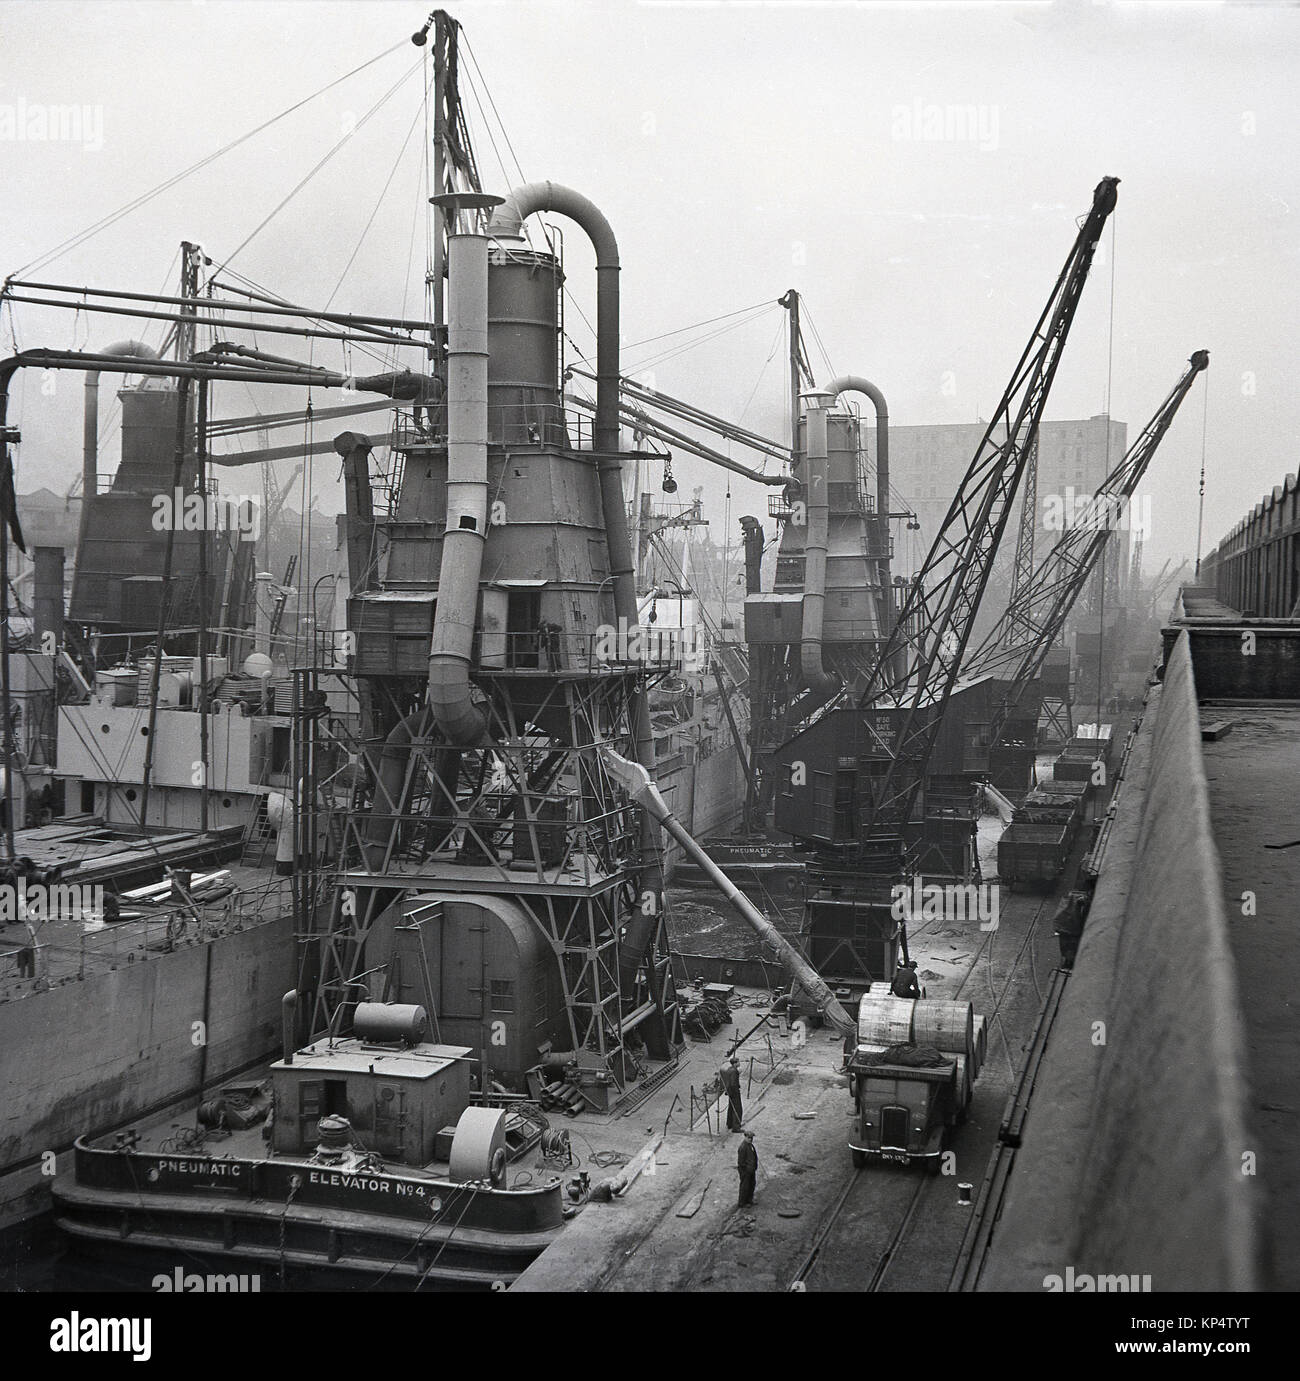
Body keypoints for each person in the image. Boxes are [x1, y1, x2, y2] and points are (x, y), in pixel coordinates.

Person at [720, 1055, 743, 1131]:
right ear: (735, 1063)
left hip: (730, 1092)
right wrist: (736, 1091)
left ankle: (729, 1124)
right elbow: (733, 1083)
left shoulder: (729, 1069)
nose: (739, 1063)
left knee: (731, 1108)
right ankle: (736, 1127)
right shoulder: (734, 1071)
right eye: (738, 1062)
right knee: (737, 1109)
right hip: (734, 1092)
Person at [737, 1131, 758, 1207]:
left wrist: (754, 1166)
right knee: (745, 1187)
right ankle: (742, 1203)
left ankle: (749, 1200)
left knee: (752, 1184)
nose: (750, 1139)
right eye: (749, 1138)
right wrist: (747, 1169)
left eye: (751, 1138)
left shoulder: (751, 1146)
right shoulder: (742, 1147)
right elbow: (741, 1162)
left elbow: (754, 1156)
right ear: (745, 1137)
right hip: (745, 1171)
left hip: (751, 1169)